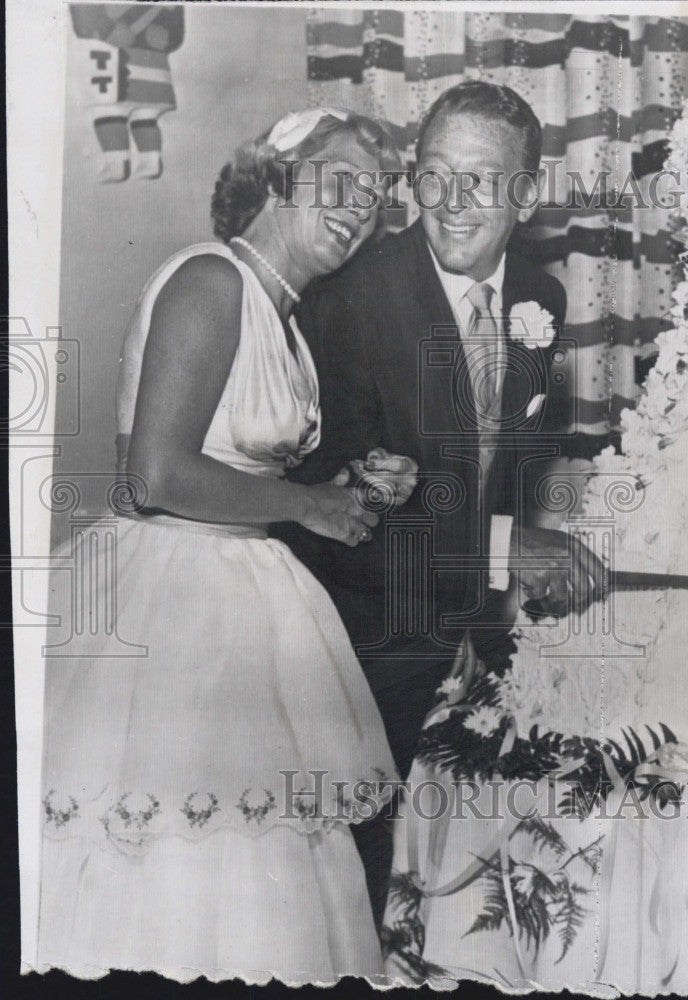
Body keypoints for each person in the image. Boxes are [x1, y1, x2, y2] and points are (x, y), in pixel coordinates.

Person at [36, 108, 418, 985]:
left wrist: (352, 483)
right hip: (170, 602)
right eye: (343, 180)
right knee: (181, 859)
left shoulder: (286, 315)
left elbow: (239, 463)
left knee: (265, 861)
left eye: (379, 195)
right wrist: (307, 503)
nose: (362, 208)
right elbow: (156, 476)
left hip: (242, 589)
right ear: (280, 178)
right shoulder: (210, 281)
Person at [274, 81, 604, 926]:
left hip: (483, 644)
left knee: (483, 899)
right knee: (357, 897)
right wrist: (505, 548)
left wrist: (512, 569)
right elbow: (332, 527)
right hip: (368, 652)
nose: (450, 204)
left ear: (526, 195)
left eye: (480, 181)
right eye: (433, 175)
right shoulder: (346, 303)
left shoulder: (543, 300)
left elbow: (501, 472)